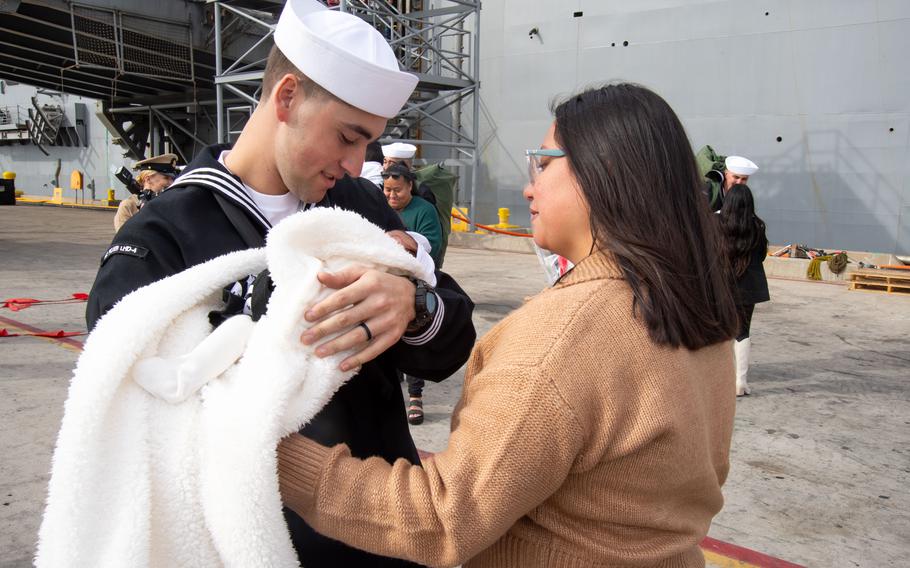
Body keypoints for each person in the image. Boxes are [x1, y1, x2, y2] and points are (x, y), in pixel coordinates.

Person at [277, 83, 741, 567]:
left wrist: (274, 455)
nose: (529, 186)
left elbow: (442, 519)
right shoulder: (695, 308)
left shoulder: (563, 339)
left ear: (602, 170)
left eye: (544, 162)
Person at [87, 0, 476, 565]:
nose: (355, 161)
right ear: (287, 97)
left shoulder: (359, 206)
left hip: (384, 527)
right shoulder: (164, 235)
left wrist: (410, 303)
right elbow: (134, 405)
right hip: (252, 541)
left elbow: (450, 342)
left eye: (368, 142)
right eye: (347, 136)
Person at [381, 161, 444, 424]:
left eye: (398, 190)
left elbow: (434, 243)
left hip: (416, 286)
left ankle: (415, 396)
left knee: (413, 336)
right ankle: (390, 398)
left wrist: (406, 243)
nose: (392, 196)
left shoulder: (424, 210)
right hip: (384, 283)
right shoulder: (378, 206)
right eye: (387, 190)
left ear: (410, 186)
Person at [718, 184, 770, 396]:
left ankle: (719, 379)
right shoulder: (758, 226)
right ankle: (740, 382)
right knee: (742, 331)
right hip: (748, 287)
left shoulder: (715, 223)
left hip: (721, 285)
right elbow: (762, 255)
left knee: (720, 331)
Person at [112, 153, 178, 231]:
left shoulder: (170, 202)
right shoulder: (129, 205)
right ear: (148, 179)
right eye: (166, 178)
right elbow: (124, 239)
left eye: (172, 178)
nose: (171, 182)